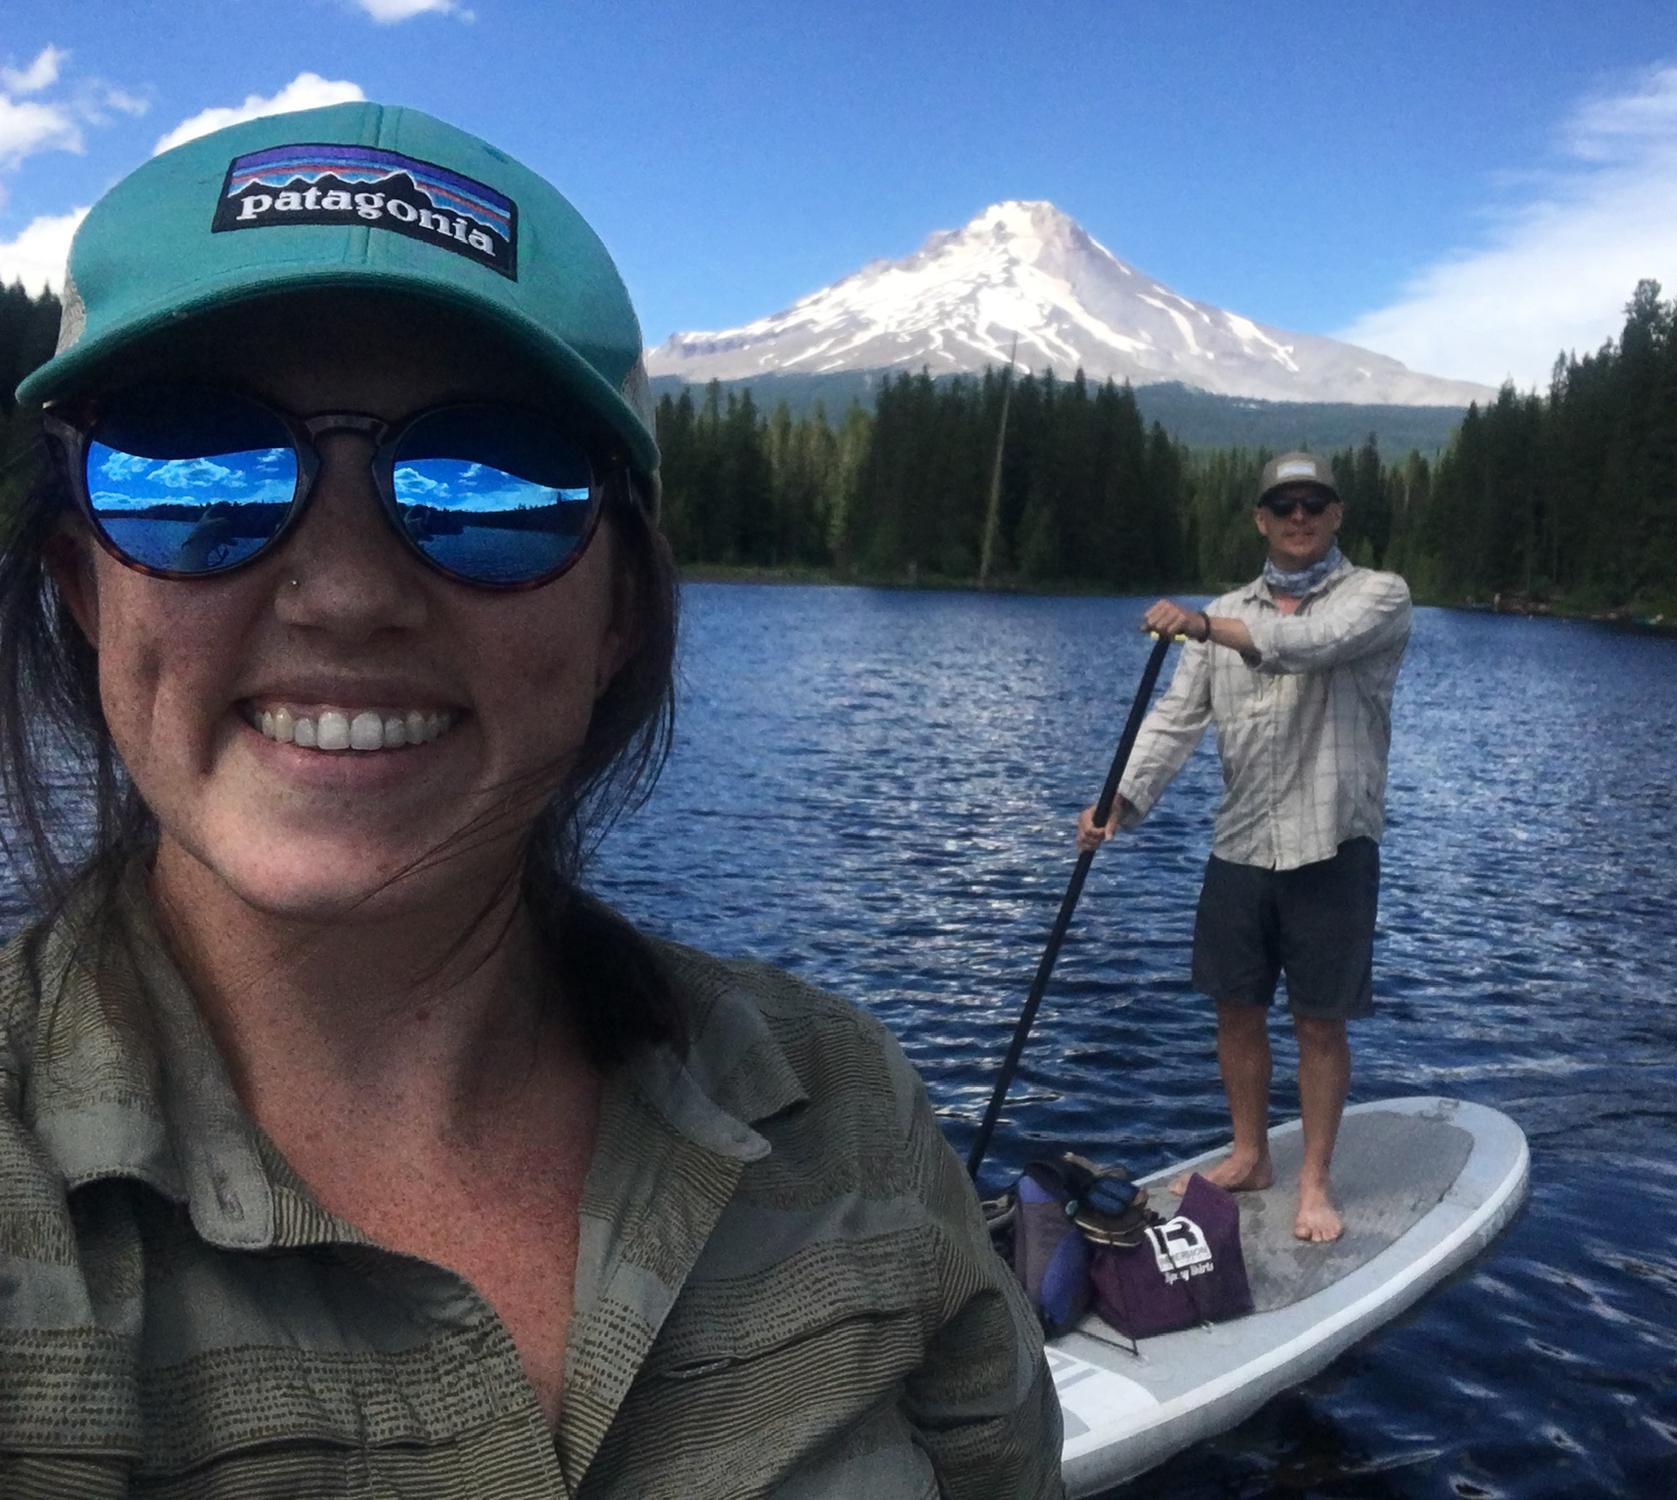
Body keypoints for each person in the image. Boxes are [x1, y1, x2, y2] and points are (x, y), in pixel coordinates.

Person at [0, 103, 1060, 1497]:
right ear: (86, 588)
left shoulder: (842, 1110)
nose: (351, 593)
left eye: (488, 484)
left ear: (620, 609)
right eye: (194, 468)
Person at [1077, 452, 1411, 1244]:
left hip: (1332, 842)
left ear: (1336, 516)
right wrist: (1119, 798)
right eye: (1283, 506)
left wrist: (1199, 623)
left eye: (1313, 504)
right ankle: (1251, 1153)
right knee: (1236, 1010)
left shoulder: (1379, 595)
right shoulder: (1225, 611)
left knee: (1320, 1024)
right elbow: (1175, 719)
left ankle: (1316, 1182)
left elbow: (1308, 644)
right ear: (1261, 519)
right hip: (1241, 843)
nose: (1299, 518)